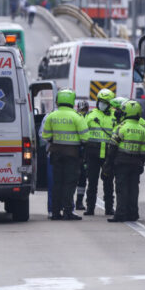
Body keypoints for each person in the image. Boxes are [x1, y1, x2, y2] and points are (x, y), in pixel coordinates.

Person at [40, 89, 89, 220]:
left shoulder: (51, 116)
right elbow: (85, 138)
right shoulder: (77, 117)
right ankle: (68, 211)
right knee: (69, 183)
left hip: (55, 155)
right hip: (72, 156)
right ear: (72, 101)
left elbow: (45, 136)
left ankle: (55, 213)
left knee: (57, 183)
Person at [104, 100, 145, 223]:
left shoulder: (121, 128)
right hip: (136, 164)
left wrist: (108, 164)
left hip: (121, 163)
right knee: (134, 189)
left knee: (121, 189)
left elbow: (112, 148)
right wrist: (141, 163)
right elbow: (144, 151)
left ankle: (120, 214)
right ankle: (133, 214)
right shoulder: (142, 130)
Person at [83, 89, 116, 216]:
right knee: (92, 183)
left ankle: (109, 208)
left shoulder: (114, 117)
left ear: (110, 104)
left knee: (108, 183)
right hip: (93, 153)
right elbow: (83, 132)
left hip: (108, 154)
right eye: (100, 101)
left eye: (105, 102)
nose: (101, 104)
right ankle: (90, 208)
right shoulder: (91, 115)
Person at [74, 100, 90, 211]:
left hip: (85, 152)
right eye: (81, 110)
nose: (82, 112)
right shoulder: (75, 118)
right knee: (72, 178)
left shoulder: (90, 118)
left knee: (83, 179)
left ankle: (79, 201)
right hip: (75, 151)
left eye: (84, 110)